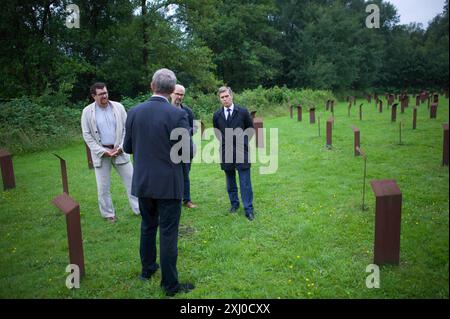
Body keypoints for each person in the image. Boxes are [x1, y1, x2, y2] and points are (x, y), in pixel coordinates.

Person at [123, 68, 195, 297]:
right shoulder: (177, 115)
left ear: (152, 85)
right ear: (172, 90)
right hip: (168, 184)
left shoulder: (134, 112)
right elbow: (186, 152)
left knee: (147, 226)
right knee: (168, 232)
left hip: (143, 182)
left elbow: (127, 148)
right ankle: (170, 285)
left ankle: (147, 270)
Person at [81, 82, 139, 223]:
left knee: (133, 181)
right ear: (94, 96)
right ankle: (109, 215)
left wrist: (121, 147)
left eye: (106, 92)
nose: (105, 96)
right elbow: (87, 135)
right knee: (103, 187)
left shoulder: (118, 107)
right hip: (102, 154)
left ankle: (139, 209)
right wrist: (103, 151)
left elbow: (127, 129)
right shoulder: (87, 112)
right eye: (101, 94)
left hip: (120, 150)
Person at [212, 86, 255, 221]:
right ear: (220, 99)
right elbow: (217, 132)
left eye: (227, 96)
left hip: (242, 151)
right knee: (230, 181)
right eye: (222, 97)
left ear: (232, 96)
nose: (225, 99)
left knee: (245, 181)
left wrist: (243, 142)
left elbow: (250, 129)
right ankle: (234, 204)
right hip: (226, 151)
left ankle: (248, 209)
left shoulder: (242, 112)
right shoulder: (217, 115)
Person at [170, 84, 198, 209]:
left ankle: (186, 200)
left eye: (182, 95)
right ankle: (172, 198)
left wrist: (187, 132)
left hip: (186, 148)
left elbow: (196, 126)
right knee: (170, 175)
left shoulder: (187, 110)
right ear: (171, 93)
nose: (179, 97)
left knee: (185, 175)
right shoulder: (165, 110)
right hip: (169, 149)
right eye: (177, 94)